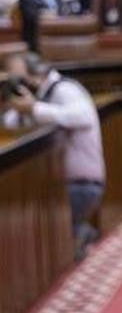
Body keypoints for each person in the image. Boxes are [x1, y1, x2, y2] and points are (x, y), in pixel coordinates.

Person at [2, 51, 105, 260]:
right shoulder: (42, 97)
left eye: (20, 80)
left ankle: (78, 233)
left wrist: (34, 108)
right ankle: (78, 233)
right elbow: (10, 122)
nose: (18, 87)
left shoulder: (64, 89)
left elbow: (83, 115)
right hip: (60, 186)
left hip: (81, 185)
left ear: (37, 74)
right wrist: (20, 105)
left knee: (27, 227)